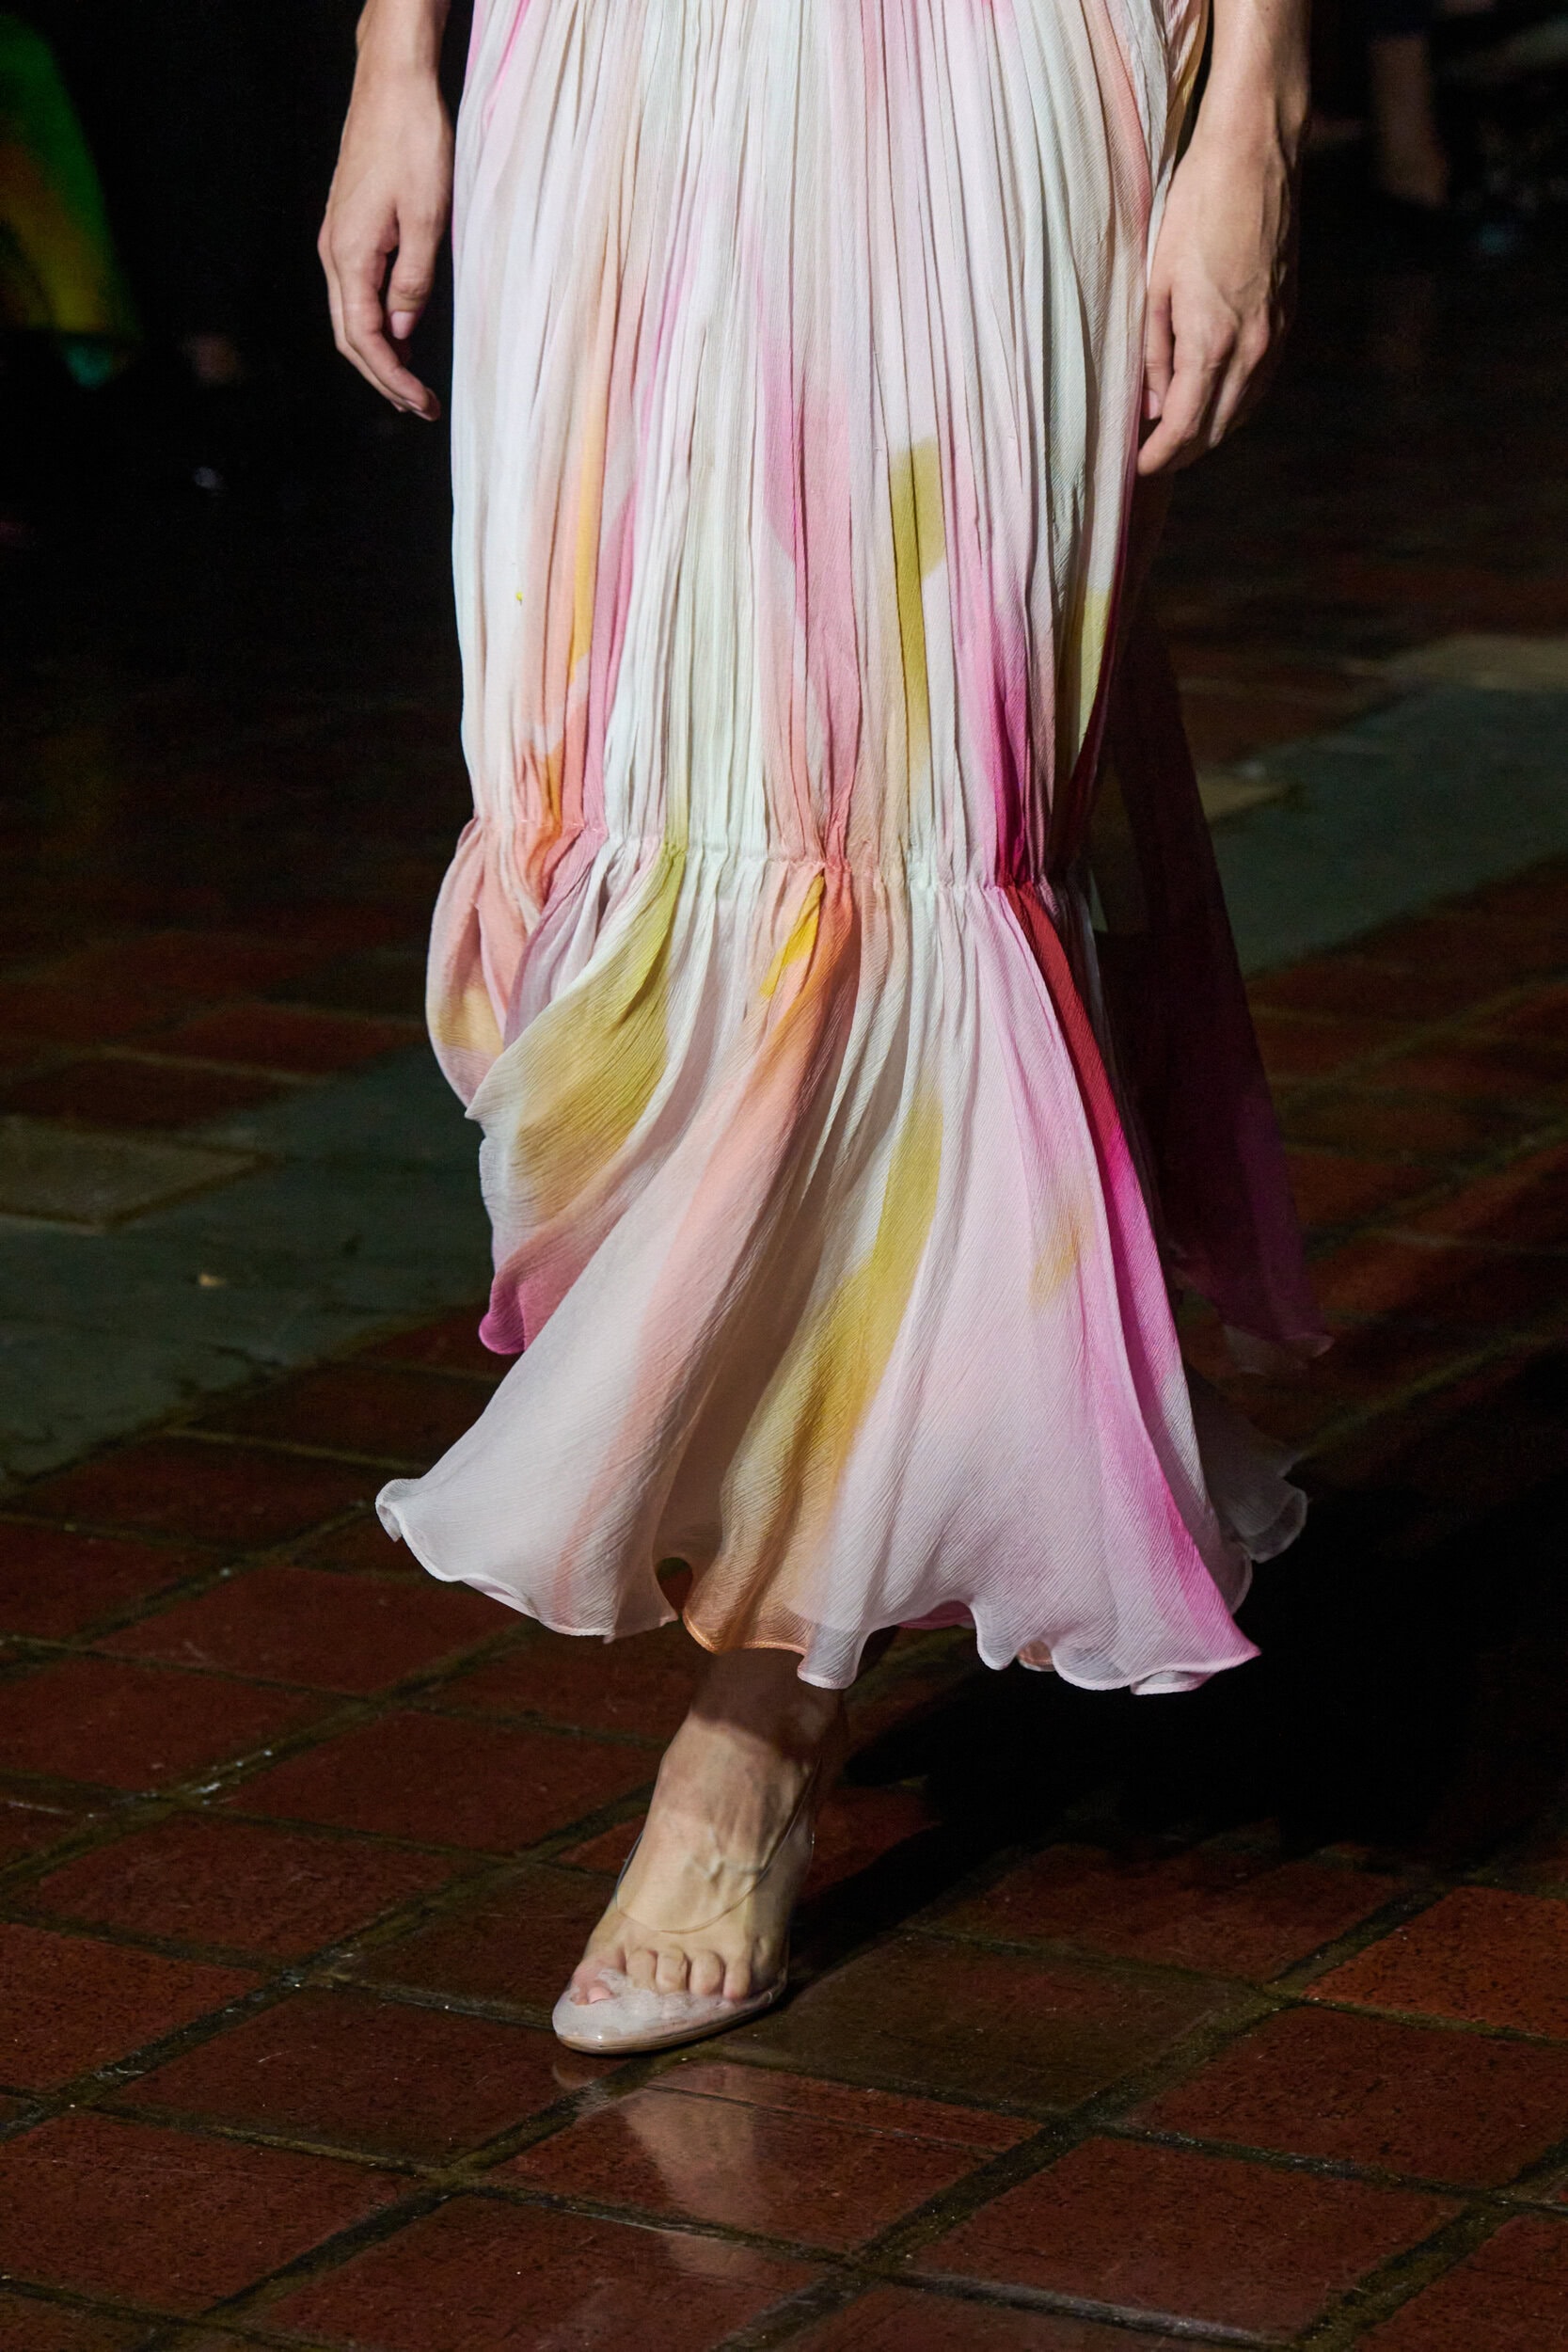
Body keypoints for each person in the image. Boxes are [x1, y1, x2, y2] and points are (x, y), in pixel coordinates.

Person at [322, 0, 1323, 2058]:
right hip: (610, 72)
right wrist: (390, 62)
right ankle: (823, 1500)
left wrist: (1257, 111)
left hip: (984, 74)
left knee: (912, 831)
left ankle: (759, 1727)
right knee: (592, 858)